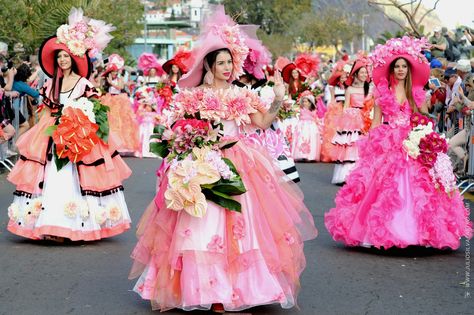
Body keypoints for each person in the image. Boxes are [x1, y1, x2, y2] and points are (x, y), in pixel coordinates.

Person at [129, 6, 317, 312]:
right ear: (210, 65)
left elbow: (261, 122)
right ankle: (206, 290)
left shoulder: (242, 93)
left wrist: (279, 99)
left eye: (231, 62)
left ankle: (240, 290)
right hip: (203, 159)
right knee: (201, 223)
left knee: (244, 226)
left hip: (240, 161)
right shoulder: (195, 95)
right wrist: (185, 145)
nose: (228, 67)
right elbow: (179, 124)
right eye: (222, 62)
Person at [324, 36, 472, 249]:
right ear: (392, 70)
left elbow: (424, 118)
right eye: (397, 66)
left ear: (409, 69)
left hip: (412, 143)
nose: (401, 69)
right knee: (384, 188)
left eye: (404, 66)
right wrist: (371, 149)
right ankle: (384, 232)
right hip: (388, 142)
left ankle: (417, 233)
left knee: (419, 187)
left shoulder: (416, 94)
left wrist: (425, 135)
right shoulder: (381, 94)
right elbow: (375, 124)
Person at [6, 8, 132, 242]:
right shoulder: (50, 84)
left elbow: (94, 110)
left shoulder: (84, 83)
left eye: (65, 56)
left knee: (76, 178)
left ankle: (77, 225)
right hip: (53, 137)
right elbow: (44, 109)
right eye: (59, 57)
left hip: (78, 137)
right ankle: (52, 226)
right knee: (53, 177)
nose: (62, 60)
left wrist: (77, 123)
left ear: (73, 57)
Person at [331, 57, 373, 185]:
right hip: (353, 120)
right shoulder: (349, 89)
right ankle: (346, 175)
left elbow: (372, 105)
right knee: (351, 146)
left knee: (364, 147)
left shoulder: (370, 89)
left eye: (365, 72)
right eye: (361, 72)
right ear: (355, 74)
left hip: (367, 118)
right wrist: (346, 121)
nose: (364, 75)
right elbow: (346, 106)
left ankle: (361, 176)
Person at [100, 54, 140, 155]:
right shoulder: (105, 80)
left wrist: (111, 83)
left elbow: (120, 87)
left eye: (115, 71)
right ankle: (111, 145)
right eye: (112, 72)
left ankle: (122, 145)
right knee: (111, 123)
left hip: (119, 100)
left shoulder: (120, 79)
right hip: (108, 99)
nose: (114, 73)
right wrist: (106, 81)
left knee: (121, 123)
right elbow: (100, 89)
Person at [320, 60, 350, 162]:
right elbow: (331, 100)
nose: (343, 79)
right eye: (341, 78)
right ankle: (332, 154)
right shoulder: (334, 88)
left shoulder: (348, 88)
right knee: (334, 131)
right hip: (336, 109)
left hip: (346, 110)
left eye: (344, 77)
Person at [291, 91, 321, 161]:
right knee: (301, 138)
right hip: (302, 125)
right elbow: (295, 112)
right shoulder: (300, 109)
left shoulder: (313, 110)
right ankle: (301, 155)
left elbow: (315, 117)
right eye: (303, 101)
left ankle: (310, 156)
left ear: (310, 102)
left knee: (311, 139)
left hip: (311, 126)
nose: (304, 103)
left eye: (306, 102)